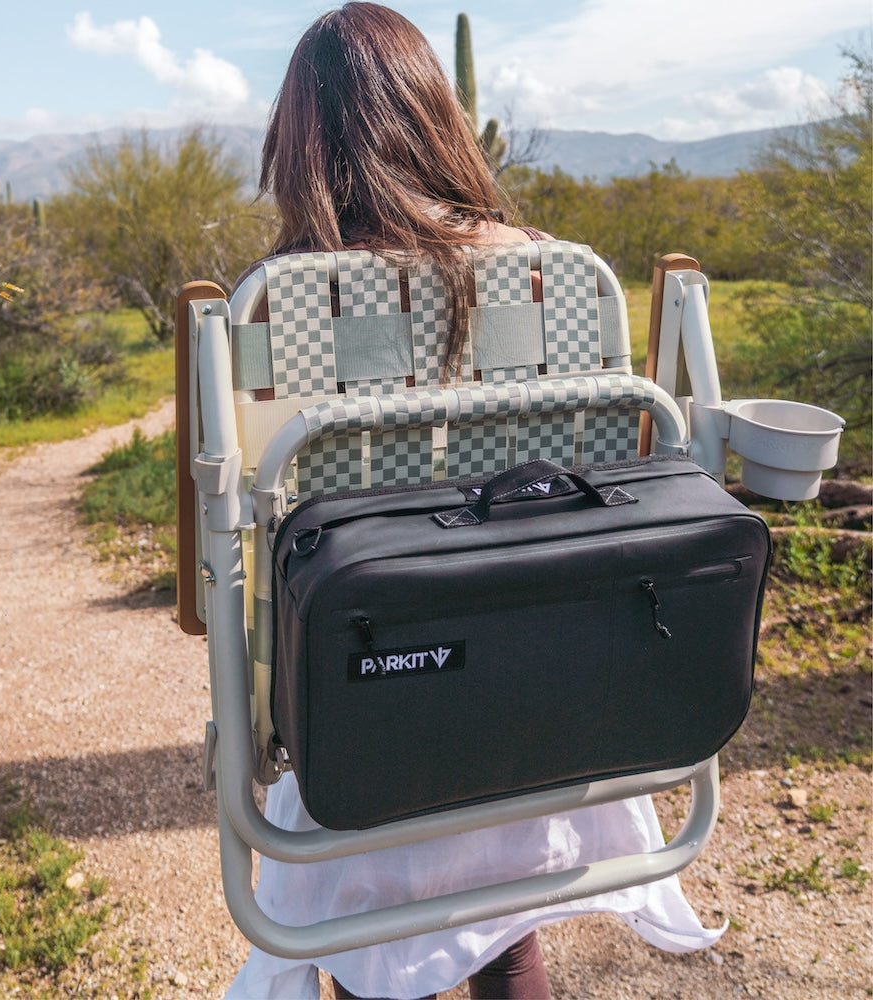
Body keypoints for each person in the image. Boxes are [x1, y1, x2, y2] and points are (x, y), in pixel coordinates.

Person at [226, 5, 725, 998]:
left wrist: (250, 727)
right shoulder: (561, 276)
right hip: (556, 696)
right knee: (503, 928)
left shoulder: (275, 308)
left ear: (301, 140)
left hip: (364, 719)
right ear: (436, 116)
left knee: (388, 935)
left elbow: (245, 554)